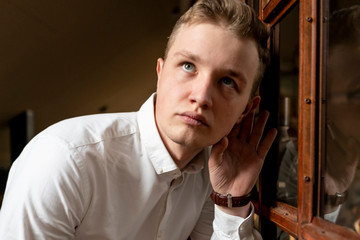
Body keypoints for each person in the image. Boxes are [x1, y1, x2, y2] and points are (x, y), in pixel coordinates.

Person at [0, 0, 277, 239]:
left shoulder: (212, 174)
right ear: (161, 71)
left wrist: (231, 202)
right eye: (188, 66)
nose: (201, 96)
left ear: (246, 110)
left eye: (227, 81)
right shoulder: (64, 160)